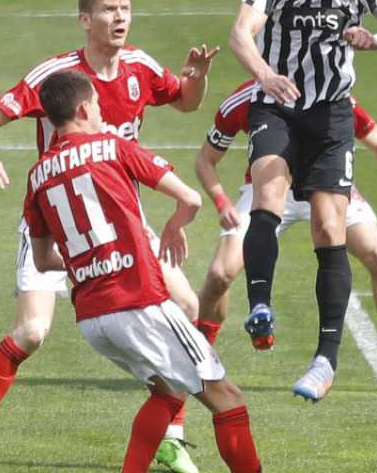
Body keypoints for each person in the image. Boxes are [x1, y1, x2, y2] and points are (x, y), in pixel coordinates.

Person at [0, 0, 218, 473]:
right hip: (58, 226)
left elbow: (187, 102)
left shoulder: (140, 66)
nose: (120, 17)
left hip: (122, 227)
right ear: (86, 20)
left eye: (126, 8)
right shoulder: (59, 76)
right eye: (109, 9)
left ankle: (172, 434)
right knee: (32, 331)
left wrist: (196, 77)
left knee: (188, 302)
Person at [24, 70, 261, 473]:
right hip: (139, 305)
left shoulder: (37, 177)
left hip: (94, 321)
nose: (101, 113)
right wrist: (173, 225)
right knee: (228, 397)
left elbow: (44, 260)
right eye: (98, 106)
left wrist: (92, 259)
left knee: (168, 394)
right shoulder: (111, 145)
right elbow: (190, 198)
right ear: (84, 108)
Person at [227, 0, 377, 402]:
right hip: (278, 104)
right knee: (267, 193)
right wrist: (265, 75)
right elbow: (241, 33)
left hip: (333, 113)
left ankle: (324, 361)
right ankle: (260, 304)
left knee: (330, 227)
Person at [188, 79, 377, 397]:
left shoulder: (332, 91)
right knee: (221, 273)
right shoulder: (249, 97)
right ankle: (198, 357)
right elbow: (205, 160)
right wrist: (222, 204)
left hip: (328, 186)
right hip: (269, 190)